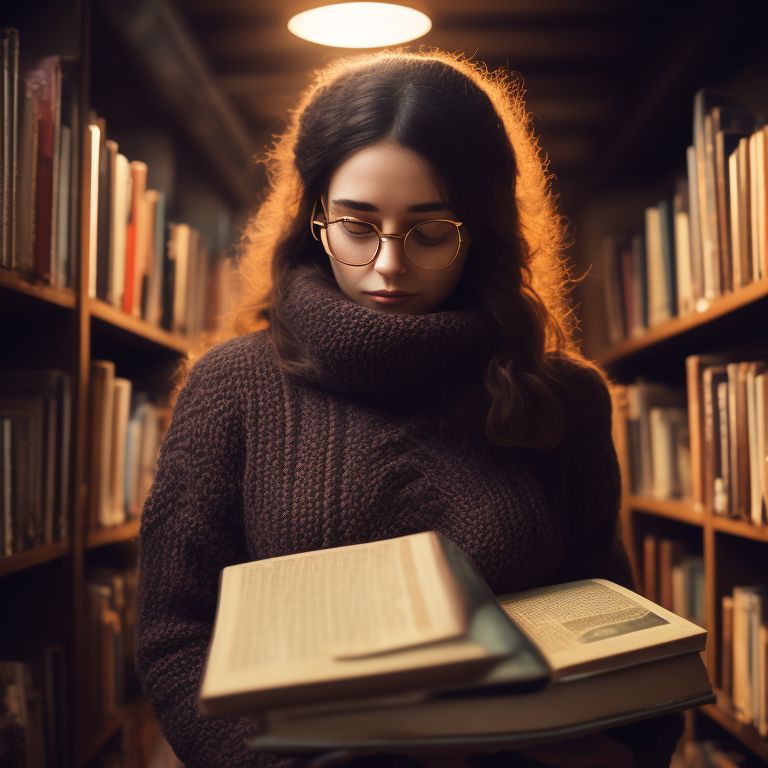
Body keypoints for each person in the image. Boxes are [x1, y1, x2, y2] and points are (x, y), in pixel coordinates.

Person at [134, 48, 685, 767]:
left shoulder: (564, 397)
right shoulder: (231, 387)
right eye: (357, 227)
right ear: (314, 219)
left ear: (481, 231)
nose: (389, 265)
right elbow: (174, 634)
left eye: (429, 233)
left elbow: (613, 624)